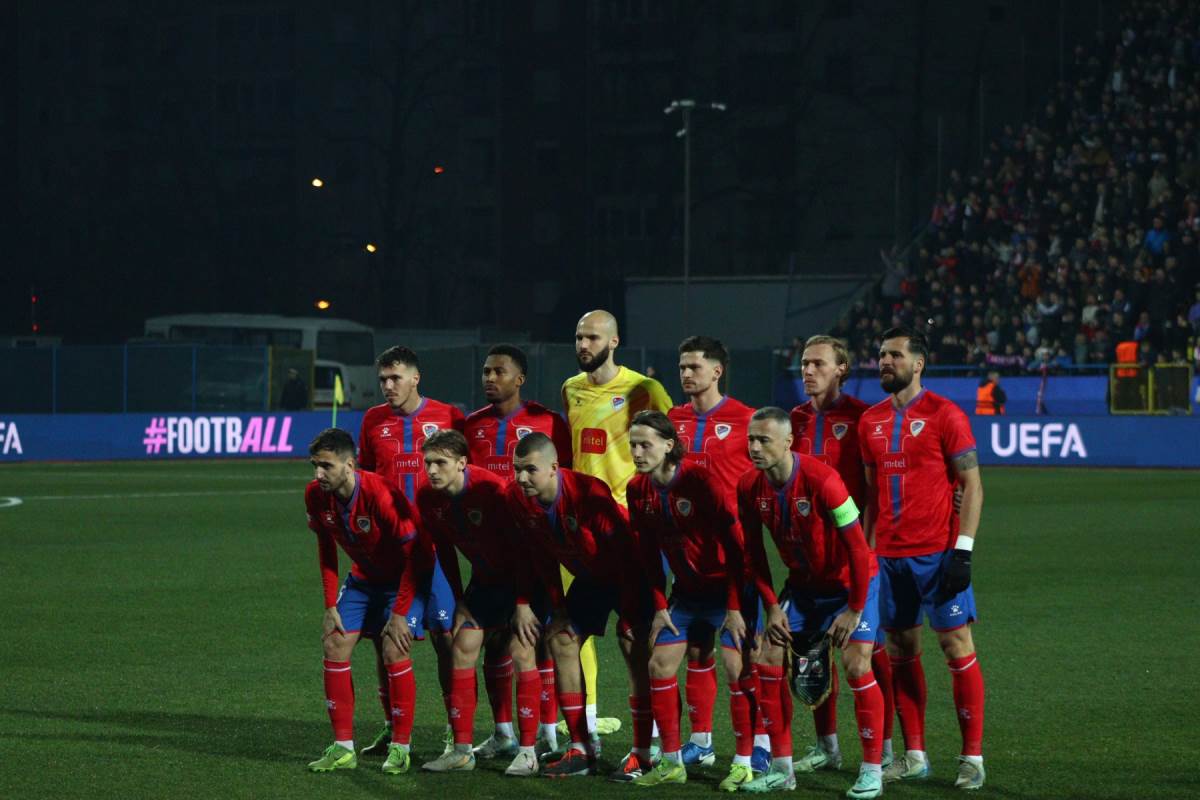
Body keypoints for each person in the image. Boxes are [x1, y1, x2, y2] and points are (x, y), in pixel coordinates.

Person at [859, 327, 986, 790]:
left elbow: (972, 485)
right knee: (900, 652)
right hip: (888, 558)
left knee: (956, 648)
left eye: (895, 355)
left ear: (919, 364)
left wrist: (963, 551)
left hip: (936, 557)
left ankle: (972, 757)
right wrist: (868, 555)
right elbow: (872, 496)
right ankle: (914, 755)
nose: (885, 362)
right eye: (881, 355)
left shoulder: (944, 414)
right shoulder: (869, 421)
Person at [737, 408, 886, 799]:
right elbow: (753, 554)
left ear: (788, 442)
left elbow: (857, 548)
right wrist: (771, 606)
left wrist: (853, 609)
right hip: (803, 590)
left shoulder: (824, 480)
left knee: (855, 664)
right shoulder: (748, 486)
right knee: (767, 658)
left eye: (763, 440)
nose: (753, 447)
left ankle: (872, 771)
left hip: (854, 585)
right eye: (750, 439)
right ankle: (783, 770)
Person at [505, 432, 653, 778]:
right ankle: (581, 748)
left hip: (630, 572)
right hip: (591, 577)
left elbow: (626, 555)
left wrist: (630, 612)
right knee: (560, 637)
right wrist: (553, 606)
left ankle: (644, 752)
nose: (522, 478)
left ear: (555, 467)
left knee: (634, 645)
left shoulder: (589, 493)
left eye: (530, 470)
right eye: (517, 470)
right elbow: (539, 556)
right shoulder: (518, 498)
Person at [624, 411, 758, 791]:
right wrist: (659, 605)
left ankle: (744, 762)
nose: (636, 451)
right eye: (632, 444)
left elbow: (736, 549)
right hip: (686, 594)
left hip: (729, 591)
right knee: (660, 664)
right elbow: (647, 554)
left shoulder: (700, 481)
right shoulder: (638, 490)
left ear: (669, 446)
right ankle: (671, 763)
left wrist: (734, 607)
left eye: (645, 444)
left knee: (736, 668)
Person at [560, 310, 672, 743]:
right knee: (570, 632)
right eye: (578, 336)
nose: (583, 345)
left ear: (614, 341)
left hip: (630, 530)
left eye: (592, 337)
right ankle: (584, 724)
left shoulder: (644, 389)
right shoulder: (571, 389)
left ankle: (661, 737)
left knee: (635, 639)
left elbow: (669, 443)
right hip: (581, 533)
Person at [789, 334, 896, 775]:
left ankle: (885, 750)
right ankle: (826, 746)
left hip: (855, 558)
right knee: (814, 652)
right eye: (804, 364)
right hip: (810, 562)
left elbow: (874, 492)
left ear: (842, 369)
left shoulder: (862, 419)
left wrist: (867, 550)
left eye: (818, 364)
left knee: (866, 655)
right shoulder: (792, 421)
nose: (808, 371)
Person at [463, 342, 573, 757]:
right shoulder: (471, 426)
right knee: (494, 641)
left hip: (538, 547)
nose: (490, 378)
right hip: (491, 554)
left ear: (519, 378)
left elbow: (565, 481)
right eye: (486, 371)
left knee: (538, 637)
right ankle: (503, 731)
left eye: (499, 371)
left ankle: (547, 731)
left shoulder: (548, 422)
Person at [415, 431, 544, 777]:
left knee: (521, 650)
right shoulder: (428, 496)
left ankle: (529, 751)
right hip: (486, 583)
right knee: (463, 647)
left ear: (462, 463)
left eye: (440, 463)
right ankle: (462, 751)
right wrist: (458, 600)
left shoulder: (492, 491)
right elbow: (442, 550)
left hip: (525, 581)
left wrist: (522, 603)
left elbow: (522, 548)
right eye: (427, 462)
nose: (431, 470)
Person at [356, 345, 465, 757]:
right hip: (387, 551)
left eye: (395, 378)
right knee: (386, 639)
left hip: (434, 548)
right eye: (382, 379)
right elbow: (364, 479)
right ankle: (391, 726)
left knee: (446, 638)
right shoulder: (372, 420)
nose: (387, 386)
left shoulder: (448, 417)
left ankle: (458, 732)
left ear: (415, 378)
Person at [303, 428, 430, 776]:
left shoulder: (380, 494)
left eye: (326, 466)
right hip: (363, 579)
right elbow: (326, 549)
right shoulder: (316, 495)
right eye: (314, 465)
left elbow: (414, 556)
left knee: (393, 648)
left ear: (349, 464)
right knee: (334, 643)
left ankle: (401, 747)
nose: (318, 474)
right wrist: (330, 605)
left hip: (406, 577)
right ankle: (343, 747)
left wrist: (401, 612)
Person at [666, 336, 764, 771]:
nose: (686, 374)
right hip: (689, 560)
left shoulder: (746, 420)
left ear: (717, 371)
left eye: (694, 367)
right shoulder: (674, 420)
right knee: (696, 651)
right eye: (682, 367)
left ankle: (760, 744)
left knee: (741, 656)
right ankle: (701, 741)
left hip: (737, 558)